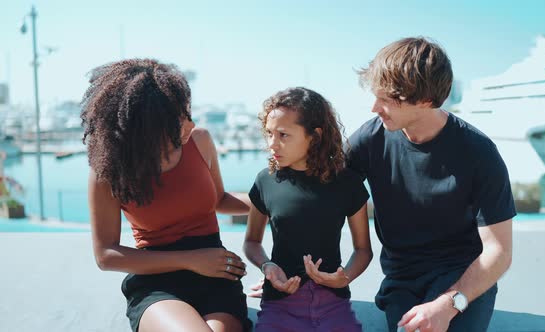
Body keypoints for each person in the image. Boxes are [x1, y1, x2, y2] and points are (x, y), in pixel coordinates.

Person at [347, 37, 515, 332]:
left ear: (425, 100)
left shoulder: (479, 153)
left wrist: (448, 304)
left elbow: (498, 252)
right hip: (402, 279)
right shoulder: (370, 139)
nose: (375, 107)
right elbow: (316, 193)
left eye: (387, 99)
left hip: (464, 279)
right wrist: (285, 266)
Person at [81, 59, 252, 332]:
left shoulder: (200, 141)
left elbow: (219, 200)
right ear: (147, 127)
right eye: (180, 119)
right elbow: (106, 255)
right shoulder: (108, 172)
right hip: (157, 281)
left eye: (188, 112)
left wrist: (272, 200)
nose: (190, 124)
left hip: (216, 274)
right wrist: (192, 260)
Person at [243, 87, 373, 331]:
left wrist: (343, 277)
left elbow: (363, 250)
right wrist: (267, 266)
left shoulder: (348, 182)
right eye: (269, 133)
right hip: (279, 303)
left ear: (314, 136)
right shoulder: (265, 181)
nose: (273, 144)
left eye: (283, 135)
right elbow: (251, 242)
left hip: (334, 302)